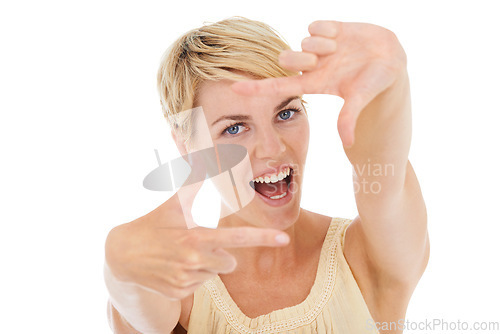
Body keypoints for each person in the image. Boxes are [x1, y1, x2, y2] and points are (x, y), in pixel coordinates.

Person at [104, 16, 429, 334]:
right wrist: (119, 268)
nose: (272, 148)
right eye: (234, 128)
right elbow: (138, 309)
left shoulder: (368, 256)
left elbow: (386, 176)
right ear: (186, 144)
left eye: (285, 113)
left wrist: (391, 88)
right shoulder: (181, 286)